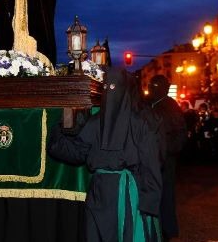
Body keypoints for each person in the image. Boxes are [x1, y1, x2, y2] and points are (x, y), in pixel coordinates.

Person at [48, 66, 164, 241]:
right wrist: (59, 129)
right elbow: (77, 152)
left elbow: (151, 165)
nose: (109, 91)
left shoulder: (139, 124)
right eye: (105, 87)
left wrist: (148, 203)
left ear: (124, 90)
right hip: (98, 193)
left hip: (126, 194)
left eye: (114, 87)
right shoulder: (95, 123)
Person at [145, 75, 187, 242]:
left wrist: (165, 151)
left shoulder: (170, 106)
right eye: (151, 86)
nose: (152, 89)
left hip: (165, 160)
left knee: (166, 195)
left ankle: (166, 230)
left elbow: (180, 135)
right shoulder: (150, 103)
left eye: (155, 86)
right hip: (151, 159)